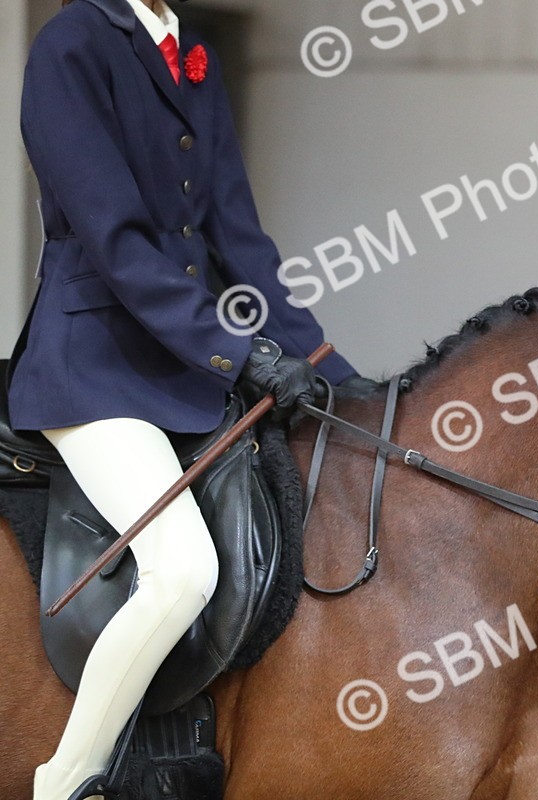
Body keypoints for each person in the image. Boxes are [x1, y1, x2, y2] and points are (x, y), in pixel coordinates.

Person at [11, 0, 365, 796]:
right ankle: (66, 781)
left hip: (187, 368)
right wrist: (241, 352)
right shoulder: (71, 44)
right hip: (94, 369)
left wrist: (331, 371)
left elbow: (239, 243)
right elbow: (118, 243)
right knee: (180, 571)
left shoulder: (190, 53)